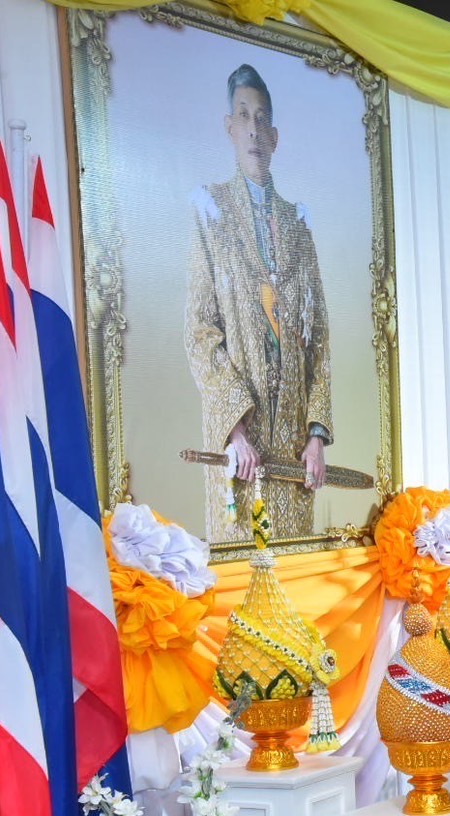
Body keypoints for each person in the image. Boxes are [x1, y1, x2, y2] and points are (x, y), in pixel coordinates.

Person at [187, 63, 332, 543]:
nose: (253, 128)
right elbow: (201, 330)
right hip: (240, 450)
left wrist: (316, 435)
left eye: (261, 118)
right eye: (243, 116)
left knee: (292, 585)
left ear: (274, 135)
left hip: (292, 447)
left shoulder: (297, 224)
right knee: (241, 590)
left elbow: (319, 341)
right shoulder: (211, 211)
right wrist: (235, 430)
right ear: (230, 128)